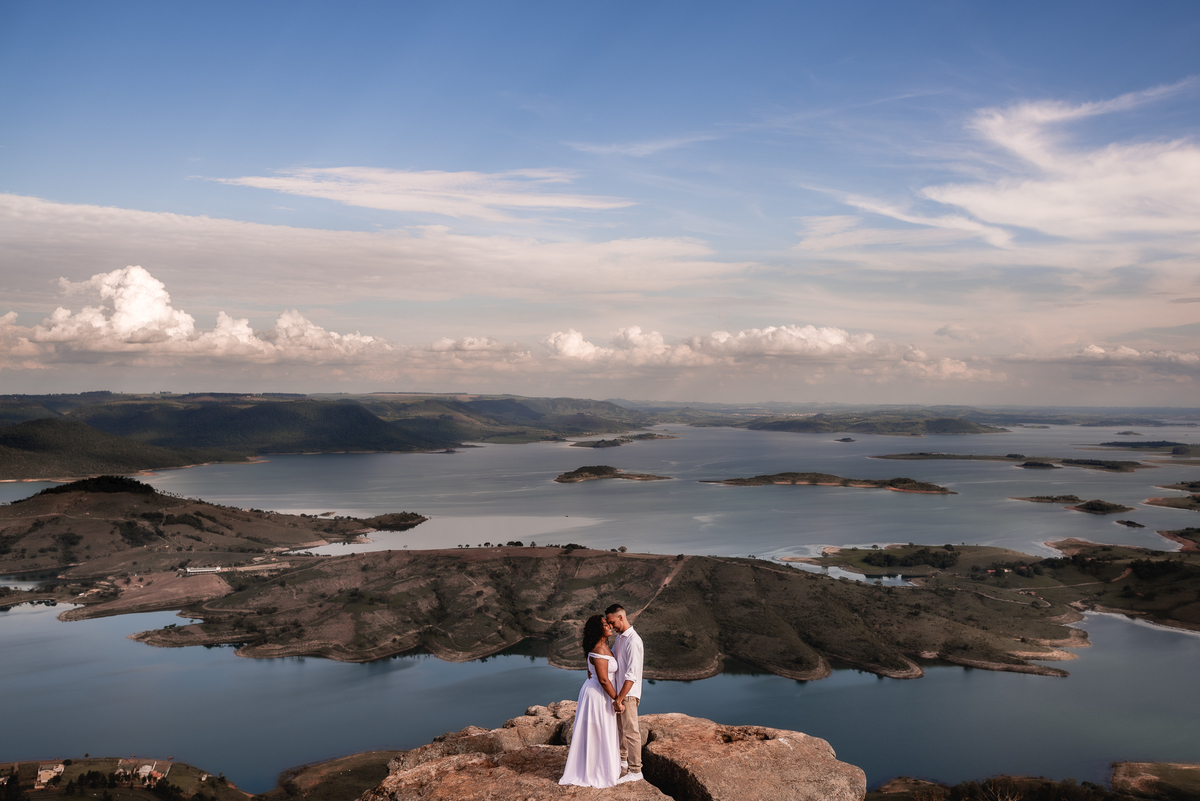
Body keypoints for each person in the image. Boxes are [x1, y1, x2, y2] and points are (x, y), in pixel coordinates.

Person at [558, 615, 622, 788]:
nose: (609, 626)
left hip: (599, 693)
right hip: (598, 695)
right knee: (597, 731)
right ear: (597, 629)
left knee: (601, 730)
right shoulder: (599, 649)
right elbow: (603, 680)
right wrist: (617, 699)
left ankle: (601, 768)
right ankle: (595, 772)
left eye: (609, 624)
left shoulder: (603, 646)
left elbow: (594, 671)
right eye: (605, 625)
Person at [605, 603, 645, 783]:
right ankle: (622, 764)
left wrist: (619, 699)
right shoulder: (620, 638)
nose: (611, 626)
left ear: (620, 617)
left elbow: (631, 676)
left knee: (631, 732)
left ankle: (636, 771)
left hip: (627, 694)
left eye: (612, 622)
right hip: (620, 693)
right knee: (621, 731)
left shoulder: (633, 641)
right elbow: (612, 660)